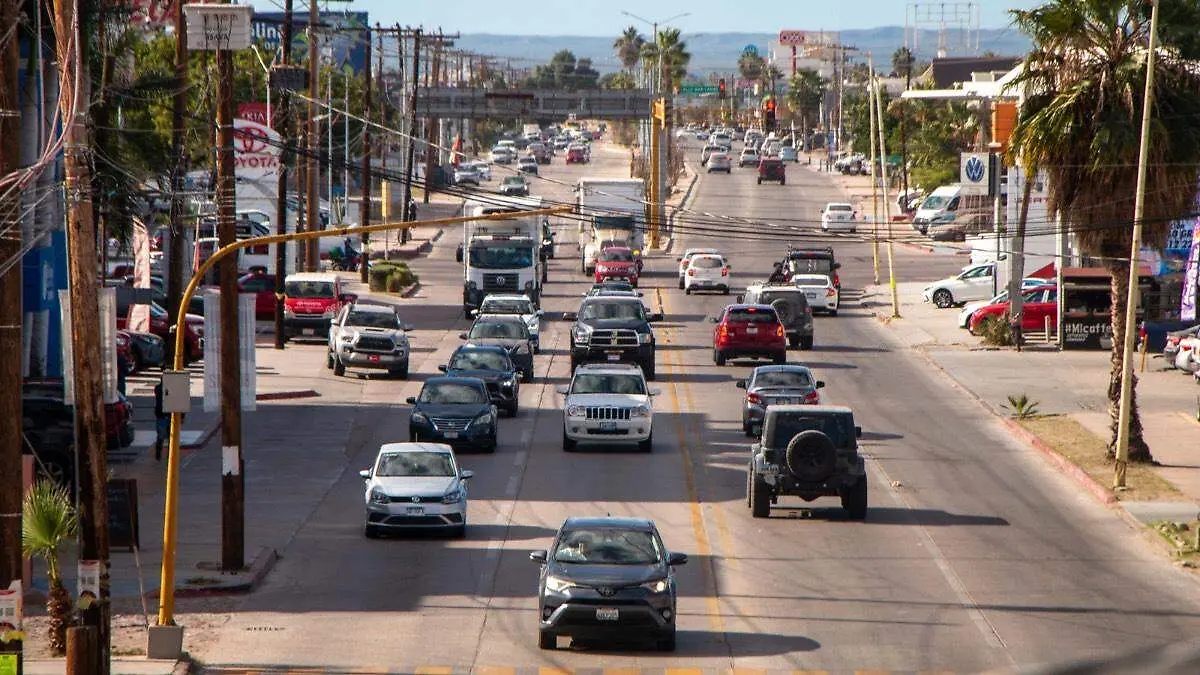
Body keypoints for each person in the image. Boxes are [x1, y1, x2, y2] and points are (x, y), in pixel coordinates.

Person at [153, 381, 169, 461]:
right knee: (167, 436)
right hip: (166, 414)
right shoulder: (165, 388)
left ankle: (158, 454)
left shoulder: (158, 388)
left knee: (160, 436)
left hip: (160, 414)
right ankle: (168, 455)